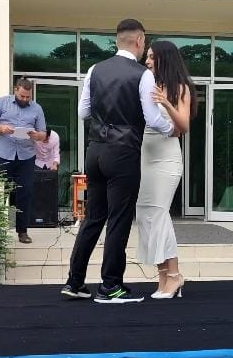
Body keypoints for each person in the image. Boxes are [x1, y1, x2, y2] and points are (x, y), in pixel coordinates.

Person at [61, 19, 175, 304]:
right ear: (139, 41)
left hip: (95, 151)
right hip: (123, 152)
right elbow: (152, 118)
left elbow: (83, 113)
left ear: (117, 41)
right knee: (119, 219)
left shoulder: (94, 70)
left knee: (93, 217)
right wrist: (171, 128)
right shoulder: (142, 75)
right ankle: (110, 286)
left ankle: (75, 282)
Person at [137, 40, 195, 299]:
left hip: (166, 160)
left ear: (164, 59)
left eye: (152, 57)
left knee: (158, 214)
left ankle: (174, 275)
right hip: (145, 158)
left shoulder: (180, 88)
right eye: (147, 56)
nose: (147, 61)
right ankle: (163, 276)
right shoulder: (148, 84)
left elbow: (183, 126)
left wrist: (166, 102)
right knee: (145, 214)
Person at [0, 77, 47, 244]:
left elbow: (43, 134)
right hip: (3, 154)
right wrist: (1, 128)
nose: (25, 99)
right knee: (0, 192)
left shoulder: (37, 108)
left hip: (26, 157)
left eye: (28, 97)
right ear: (15, 90)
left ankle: (22, 232)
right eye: (22, 96)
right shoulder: (1, 103)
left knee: (25, 193)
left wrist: (36, 135)